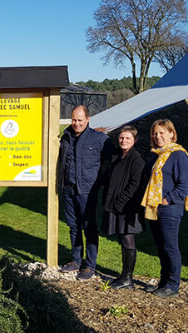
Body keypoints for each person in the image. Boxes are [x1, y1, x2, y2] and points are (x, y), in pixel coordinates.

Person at [142, 119, 188, 298]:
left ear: (172, 133)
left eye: (162, 132)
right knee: (161, 246)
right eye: (155, 133)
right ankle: (163, 282)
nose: (158, 136)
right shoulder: (158, 155)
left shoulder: (178, 155)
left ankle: (173, 285)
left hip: (170, 208)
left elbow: (185, 185)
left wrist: (167, 200)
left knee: (170, 246)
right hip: (155, 208)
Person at [59, 105, 113, 280]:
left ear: (88, 119)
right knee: (73, 226)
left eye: (80, 120)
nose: (76, 123)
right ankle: (76, 260)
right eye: (74, 120)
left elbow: (112, 160)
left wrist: (100, 180)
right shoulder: (65, 136)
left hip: (87, 191)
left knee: (89, 227)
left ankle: (89, 265)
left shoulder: (99, 139)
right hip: (68, 188)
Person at [102, 126, 145, 289]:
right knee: (122, 238)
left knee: (128, 239)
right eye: (121, 138)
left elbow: (135, 184)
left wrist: (120, 201)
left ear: (135, 140)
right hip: (115, 205)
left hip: (127, 207)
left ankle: (128, 278)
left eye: (127, 138)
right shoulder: (117, 156)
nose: (123, 141)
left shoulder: (136, 159)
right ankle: (124, 275)